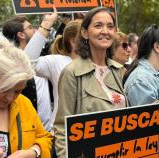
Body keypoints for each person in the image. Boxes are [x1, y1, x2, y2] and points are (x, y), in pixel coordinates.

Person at [54, 7, 129, 158]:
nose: (105, 31)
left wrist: (154, 114)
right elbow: (62, 128)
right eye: (98, 25)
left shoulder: (119, 71)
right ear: (84, 33)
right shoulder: (71, 72)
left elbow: (131, 118)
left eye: (110, 26)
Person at [2, 11, 57, 132]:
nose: (36, 30)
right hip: (26, 133)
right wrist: (46, 24)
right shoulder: (12, 62)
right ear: (21, 35)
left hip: (49, 133)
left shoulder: (45, 57)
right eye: (30, 27)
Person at [26, 20, 81, 135]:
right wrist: (46, 24)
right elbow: (27, 61)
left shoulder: (99, 62)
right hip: (63, 135)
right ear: (73, 41)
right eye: (86, 33)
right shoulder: (57, 61)